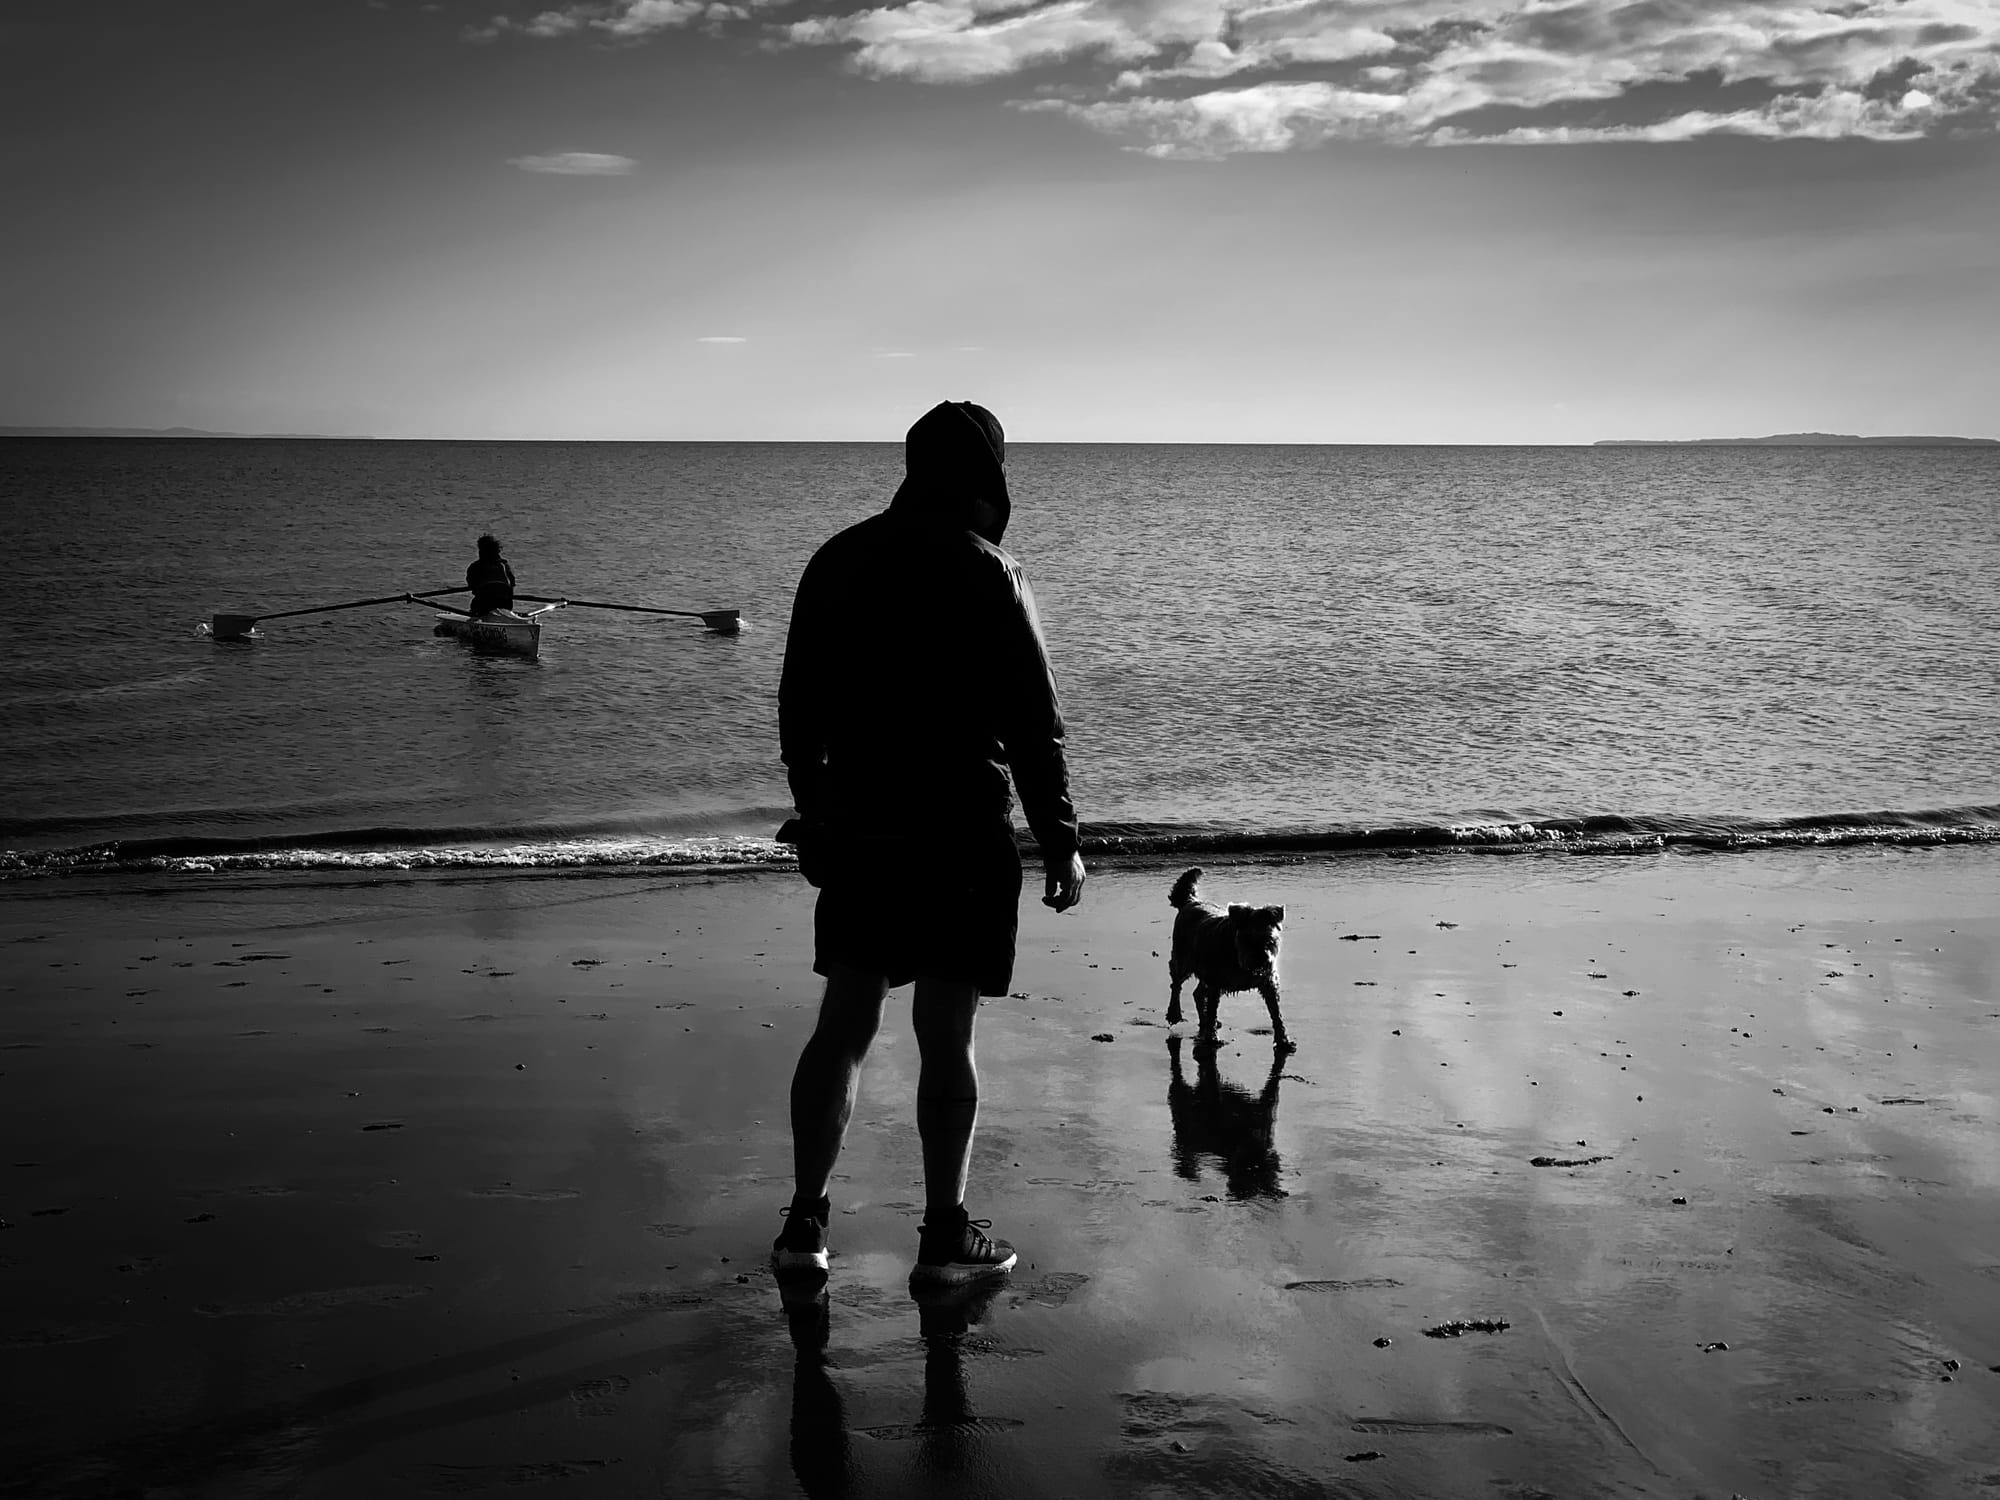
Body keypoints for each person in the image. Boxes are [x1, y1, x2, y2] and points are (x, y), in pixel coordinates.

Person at [773, 400, 1085, 1286]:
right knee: (947, 1034)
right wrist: (1060, 836)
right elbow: (1035, 722)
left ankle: (805, 1225)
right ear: (989, 474)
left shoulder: (837, 559)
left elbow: (800, 707)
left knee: (845, 1022)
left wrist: (816, 808)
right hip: (960, 831)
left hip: (862, 824)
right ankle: (943, 1234)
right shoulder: (995, 572)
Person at [465, 534, 517, 617]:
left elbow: (473, 587)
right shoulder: (505, 566)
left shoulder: (475, 567)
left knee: (476, 603)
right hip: (505, 606)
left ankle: (476, 617)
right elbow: (512, 585)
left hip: (483, 605)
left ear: (482, 551)